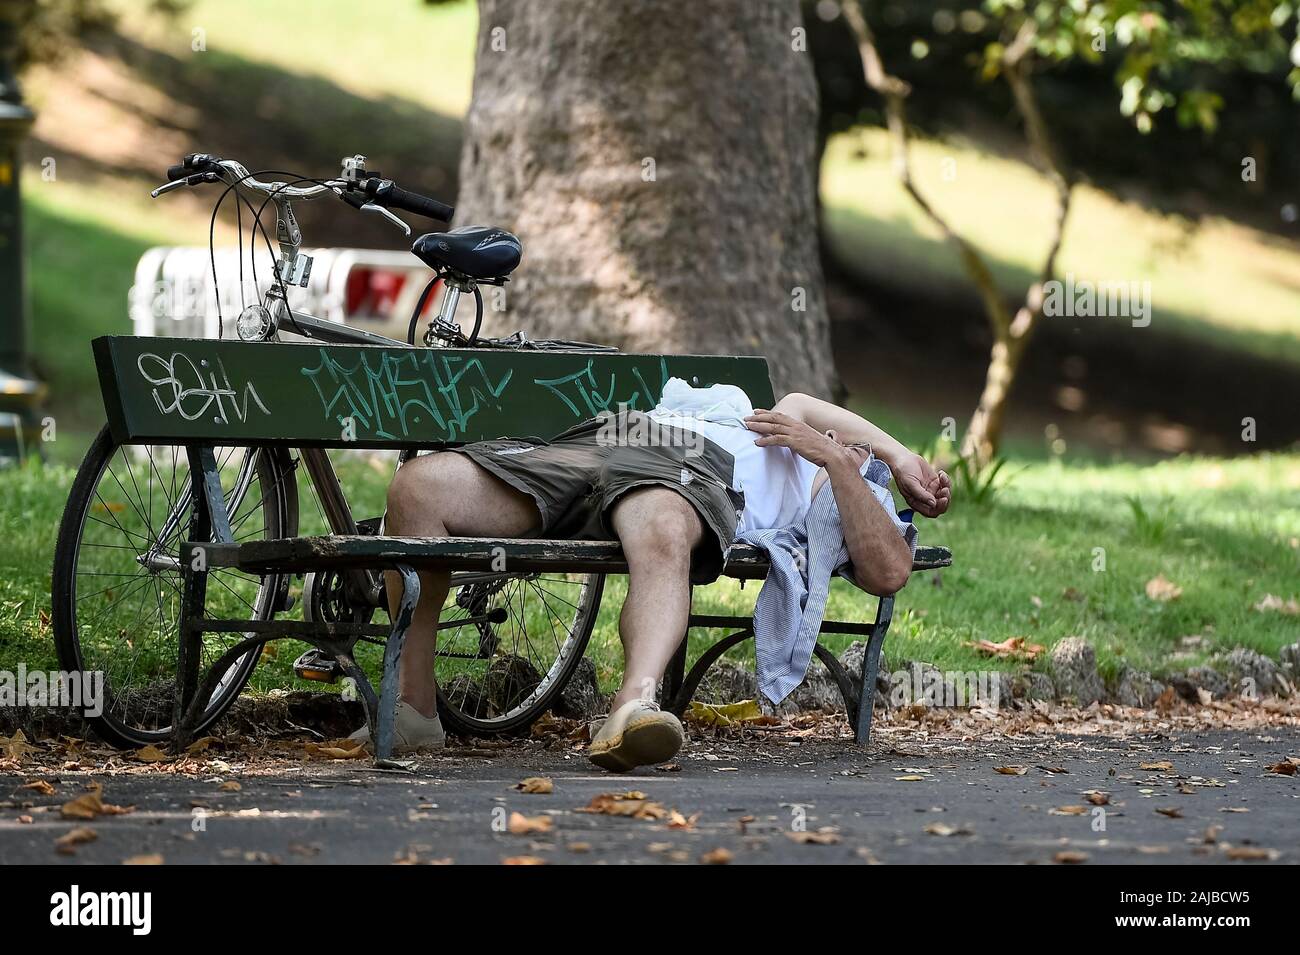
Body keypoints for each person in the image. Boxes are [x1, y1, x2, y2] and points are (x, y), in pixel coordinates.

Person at [356, 381, 951, 770]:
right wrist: (901, 457)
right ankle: (413, 711)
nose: (849, 446)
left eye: (861, 458)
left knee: (663, 532)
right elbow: (802, 402)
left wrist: (837, 464)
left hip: (693, 472)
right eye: (852, 448)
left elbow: (889, 570)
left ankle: (632, 709)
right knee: (419, 488)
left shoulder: (829, 481)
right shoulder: (786, 421)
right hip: (618, 433)